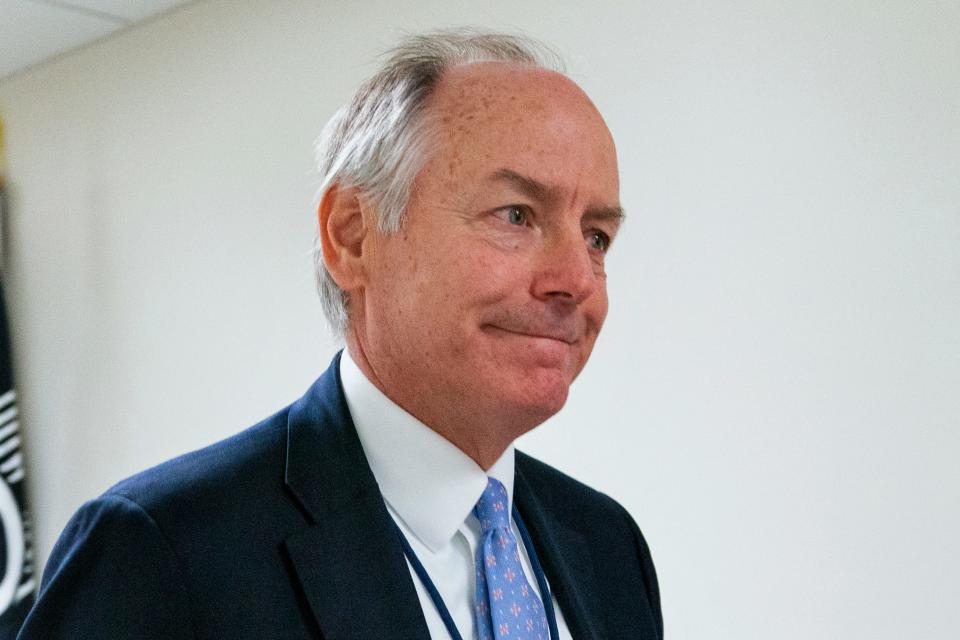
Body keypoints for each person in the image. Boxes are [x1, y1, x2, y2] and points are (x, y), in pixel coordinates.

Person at [17, 30, 662, 639]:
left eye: (597, 236)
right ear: (352, 236)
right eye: (516, 215)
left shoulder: (607, 544)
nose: (576, 279)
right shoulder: (163, 551)